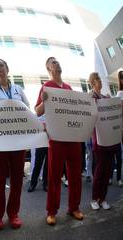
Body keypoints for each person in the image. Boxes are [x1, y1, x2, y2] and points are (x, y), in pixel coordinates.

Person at [35, 57, 84, 225]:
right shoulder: (46, 87)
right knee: (54, 176)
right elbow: (37, 111)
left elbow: (77, 110)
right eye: (53, 62)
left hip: (73, 136)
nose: (57, 63)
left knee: (75, 174)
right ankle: (52, 211)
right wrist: (45, 100)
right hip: (56, 138)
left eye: (57, 61)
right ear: (48, 68)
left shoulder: (69, 88)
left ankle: (74, 208)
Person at [0, 59, 29, 230]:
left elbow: (26, 110)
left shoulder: (18, 89)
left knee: (17, 179)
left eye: (1, 65)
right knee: (0, 179)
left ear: (7, 69)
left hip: (18, 140)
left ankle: (13, 214)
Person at [88, 72, 118, 210]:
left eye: (99, 78)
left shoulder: (106, 97)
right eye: (96, 79)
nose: (99, 81)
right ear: (92, 83)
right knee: (99, 171)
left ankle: (103, 198)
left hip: (110, 139)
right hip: (99, 140)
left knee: (108, 170)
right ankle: (95, 198)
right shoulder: (91, 97)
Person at [28, 115, 48, 192]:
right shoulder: (39, 116)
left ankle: (46, 183)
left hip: (50, 142)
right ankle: (33, 183)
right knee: (37, 164)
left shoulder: (53, 115)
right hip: (41, 142)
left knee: (47, 165)